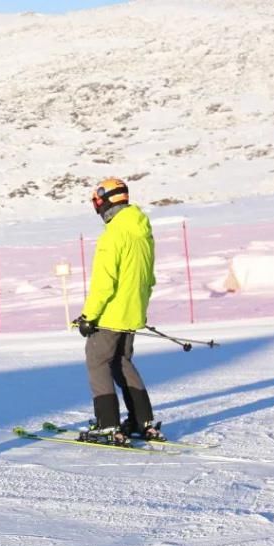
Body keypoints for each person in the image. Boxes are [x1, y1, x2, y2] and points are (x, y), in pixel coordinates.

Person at [72, 177, 165, 446]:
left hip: (110, 314)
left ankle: (107, 424)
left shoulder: (113, 235)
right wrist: (139, 309)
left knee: (97, 361)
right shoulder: (142, 233)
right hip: (132, 312)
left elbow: (104, 282)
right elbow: (148, 278)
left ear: (106, 202)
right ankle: (141, 420)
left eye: (97, 203)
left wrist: (89, 316)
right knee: (121, 362)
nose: (97, 209)